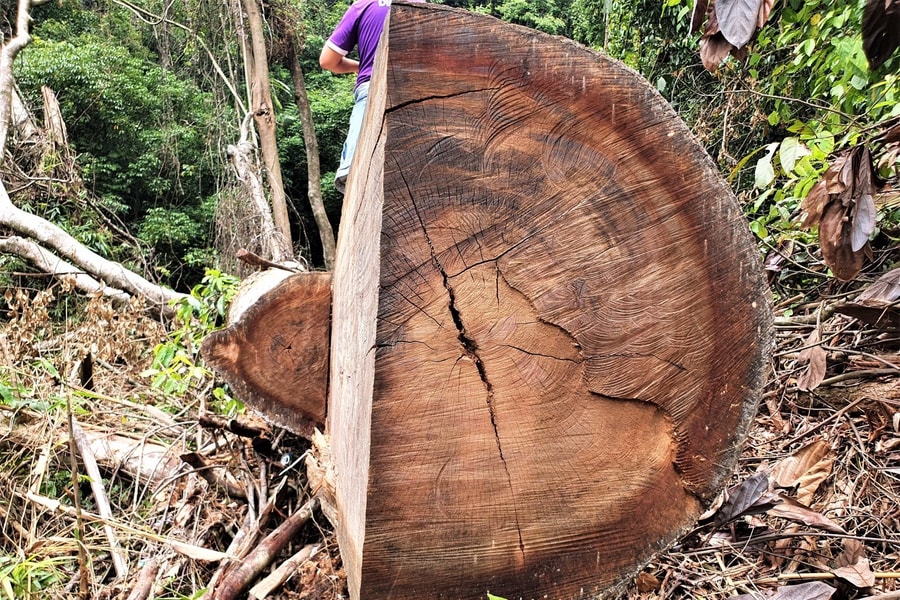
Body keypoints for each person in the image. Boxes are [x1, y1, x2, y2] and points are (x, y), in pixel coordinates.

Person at [320, 0, 424, 194]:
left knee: (356, 170)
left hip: (371, 88)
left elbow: (327, 60)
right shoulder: (422, 5)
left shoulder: (364, 5)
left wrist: (361, 66)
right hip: (416, 93)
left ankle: (350, 168)